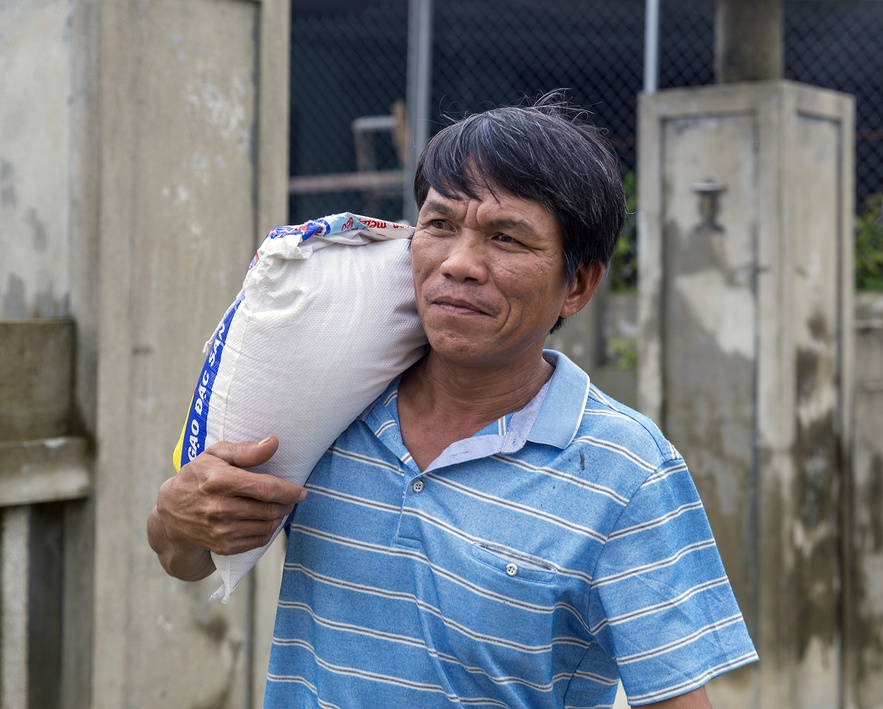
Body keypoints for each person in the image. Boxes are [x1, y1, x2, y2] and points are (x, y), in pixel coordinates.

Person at [148, 92, 758, 708]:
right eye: (439, 225)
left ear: (577, 284)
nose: (459, 264)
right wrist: (177, 517)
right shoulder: (336, 401)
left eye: (507, 238)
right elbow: (187, 556)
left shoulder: (624, 469)